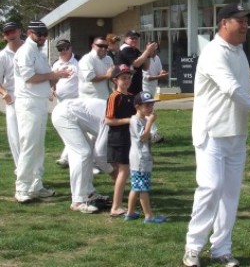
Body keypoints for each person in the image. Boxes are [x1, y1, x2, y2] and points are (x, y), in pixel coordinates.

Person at [182, 3, 250, 267]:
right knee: (210, 188)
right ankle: (193, 247)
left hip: (236, 134)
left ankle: (222, 248)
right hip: (212, 134)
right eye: (239, 20)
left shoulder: (239, 52)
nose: (245, 25)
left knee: (230, 194)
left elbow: (241, 91)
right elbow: (230, 88)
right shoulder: (213, 53)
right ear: (223, 23)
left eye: (246, 20)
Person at [13, 20, 71, 203]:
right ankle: (21, 187)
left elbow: (46, 76)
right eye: (39, 34)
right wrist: (54, 76)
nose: (43, 37)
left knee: (38, 147)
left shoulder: (37, 52)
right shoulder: (25, 51)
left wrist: (57, 78)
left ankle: (36, 185)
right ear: (30, 33)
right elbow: (29, 77)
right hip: (28, 103)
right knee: (29, 145)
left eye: (45, 34)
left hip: (38, 103)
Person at [51, 98, 113, 214]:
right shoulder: (111, 121)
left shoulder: (117, 117)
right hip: (63, 115)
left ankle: (89, 193)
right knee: (83, 153)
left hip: (70, 114)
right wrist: (113, 172)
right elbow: (100, 154)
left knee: (87, 151)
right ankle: (78, 201)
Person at [124, 91, 167, 223]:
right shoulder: (135, 120)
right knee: (143, 188)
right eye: (147, 106)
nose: (150, 108)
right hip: (140, 159)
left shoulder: (143, 119)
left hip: (142, 158)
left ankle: (130, 213)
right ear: (137, 106)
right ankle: (148, 216)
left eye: (151, 105)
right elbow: (143, 137)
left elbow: (150, 138)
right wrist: (150, 123)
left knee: (136, 187)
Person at [105, 64, 136, 217]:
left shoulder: (130, 96)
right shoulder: (114, 97)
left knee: (123, 173)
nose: (127, 81)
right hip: (119, 138)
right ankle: (116, 206)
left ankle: (119, 203)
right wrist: (128, 121)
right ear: (115, 80)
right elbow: (108, 120)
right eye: (123, 78)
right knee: (123, 172)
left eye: (129, 78)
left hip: (129, 138)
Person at [52, 39, 80, 168]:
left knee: (73, 128)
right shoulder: (56, 63)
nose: (63, 51)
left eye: (65, 48)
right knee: (64, 128)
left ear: (71, 48)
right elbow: (53, 80)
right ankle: (68, 156)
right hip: (60, 101)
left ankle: (66, 157)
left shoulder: (78, 61)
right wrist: (52, 90)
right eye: (60, 49)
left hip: (75, 100)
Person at [0, 21, 23, 174]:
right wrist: (4, 93)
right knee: (15, 137)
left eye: (13, 31)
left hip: (30, 97)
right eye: (8, 33)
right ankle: (20, 169)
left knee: (30, 136)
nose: (11, 35)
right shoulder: (2, 56)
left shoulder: (31, 50)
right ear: (4, 36)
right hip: (13, 99)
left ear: (19, 31)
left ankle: (33, 172)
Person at [142, 40, 168, 144]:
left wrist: (162, 73)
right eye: (150, 47)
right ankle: (154, 134)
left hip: (152, 88)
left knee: (145, 112)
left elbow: (159, 71)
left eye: (154, 47)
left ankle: (147, 134)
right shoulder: (144, 58)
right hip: (144, 88)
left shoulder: (157, 58)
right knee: (148, 111)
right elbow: (146, 78)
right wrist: (159, 76)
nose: (152, 49)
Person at [118, 30, 157, 95]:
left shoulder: (135, 50)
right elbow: (136, 64)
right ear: (125, 39)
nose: (134, 40)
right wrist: (148, 50)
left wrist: (149, 54)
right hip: (127, 87)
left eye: (136, 38)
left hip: (135, 86)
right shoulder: (125, 48)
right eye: (132, 38)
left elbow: (145, 67)